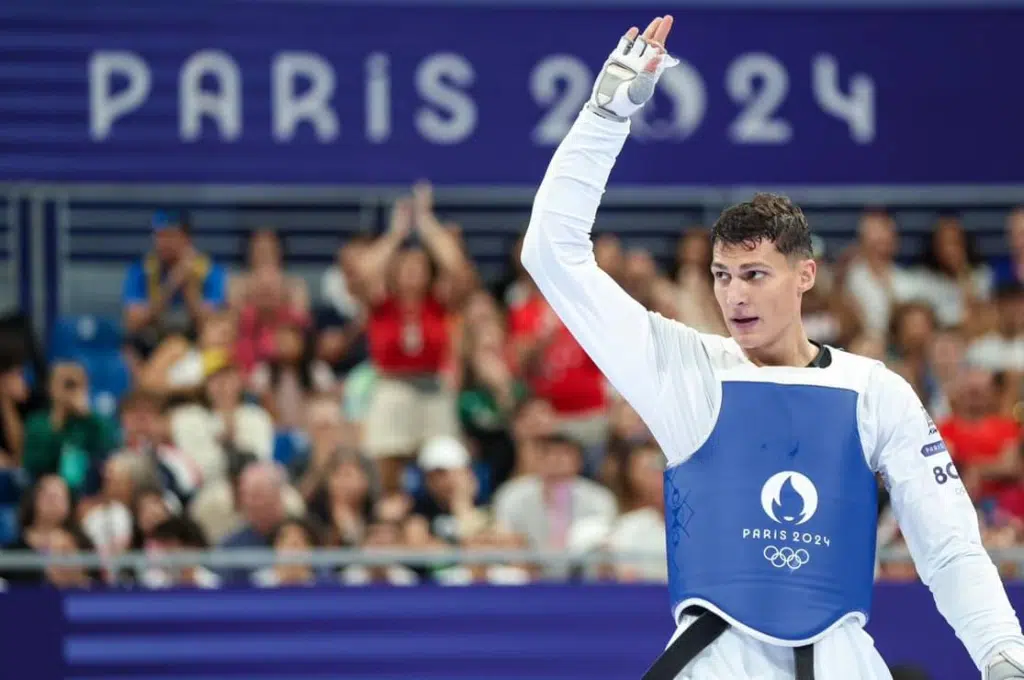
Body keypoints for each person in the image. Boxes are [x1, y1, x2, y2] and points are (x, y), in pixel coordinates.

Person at [520, 14, 1024, 680]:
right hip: (716, 664)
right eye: (722, 276)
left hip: (843, 662)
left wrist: (1004, 655)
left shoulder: (875, 391)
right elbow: (551, 253)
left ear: (805, 275)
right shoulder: (687, 373)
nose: (735, 296)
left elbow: (950, 544)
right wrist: (607, 113)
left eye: (755, 275)